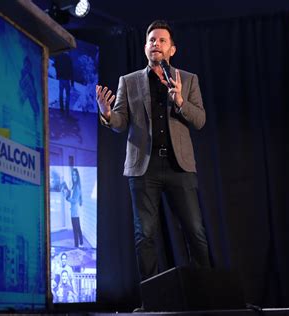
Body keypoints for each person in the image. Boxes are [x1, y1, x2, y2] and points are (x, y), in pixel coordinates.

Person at [96, 20, 211, 282]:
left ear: (172, 49)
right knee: (144, 234)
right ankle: (151, 301)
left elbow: (200, 120)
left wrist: (180, 101)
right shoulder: (130, 81)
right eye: (151, 41)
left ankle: (205, 293)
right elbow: (121, 122)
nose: (155, 44)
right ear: (145, 47)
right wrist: (106, 115)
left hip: (178, 167)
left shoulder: (189, 80)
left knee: (195, 230)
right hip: (143, 169)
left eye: (161, 41)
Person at [66, 168, 84, 248]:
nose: (74, 176)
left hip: (74, 211)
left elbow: (75, 200)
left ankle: (76, 246)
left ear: (77, 176)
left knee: (75, 229)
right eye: (73, 174)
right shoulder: (75, 185)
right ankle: (81, 242)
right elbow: (74, 197)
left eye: (75, 174)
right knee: (78, 227)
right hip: (75, 210)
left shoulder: (77, 187)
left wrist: (67, 199)